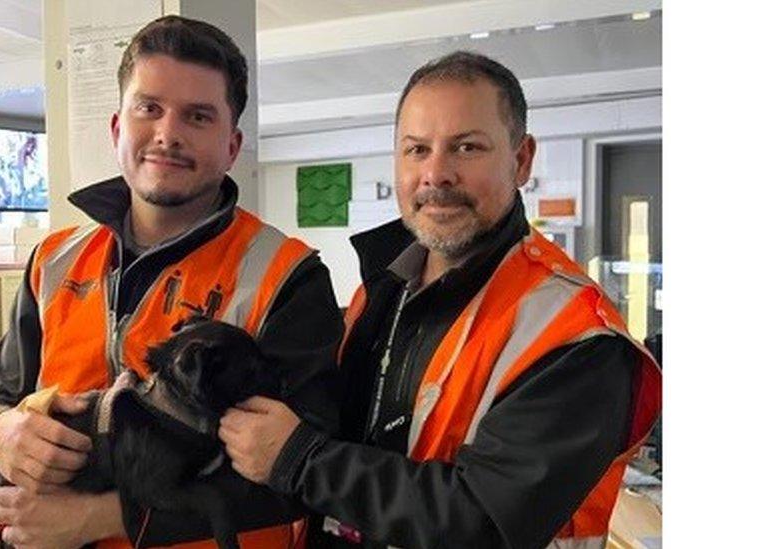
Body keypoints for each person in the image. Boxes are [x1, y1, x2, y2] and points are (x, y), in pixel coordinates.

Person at [219, 51, 661, 549]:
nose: (437, 174)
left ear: (521, 160)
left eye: (467, 148)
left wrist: (300, 460)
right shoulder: (381, 291)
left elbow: (486, 522)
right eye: (417, 150)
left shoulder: (575, 335)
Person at [0, 15, 342, 549]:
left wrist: (106, 518)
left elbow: (307, 475)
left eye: (197, 115)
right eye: (150, 108)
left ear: (232, 145)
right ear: (119, 127)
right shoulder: (53, 262)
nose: (168, 134)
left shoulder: (285, 277)